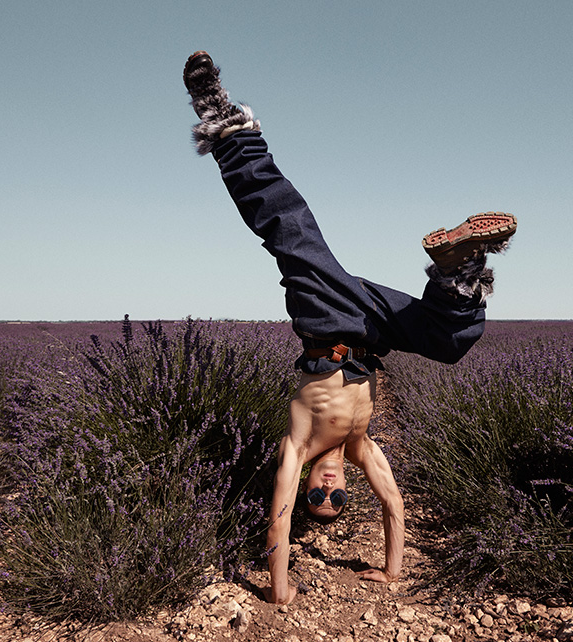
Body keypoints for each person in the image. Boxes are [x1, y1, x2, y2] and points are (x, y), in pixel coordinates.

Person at [182, 51, 516, 605]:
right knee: (449, 341)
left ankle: (222, 118)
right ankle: (459, 267)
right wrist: (392, 570)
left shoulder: (298, 446)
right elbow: (394, 505)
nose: (328, 495)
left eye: (317, 499)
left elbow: (278, 521)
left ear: (308, 484)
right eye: (336, 503)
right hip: (374, 333)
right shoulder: (362, 448)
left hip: (326, 319)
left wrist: (280, 588)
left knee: (290, 229)